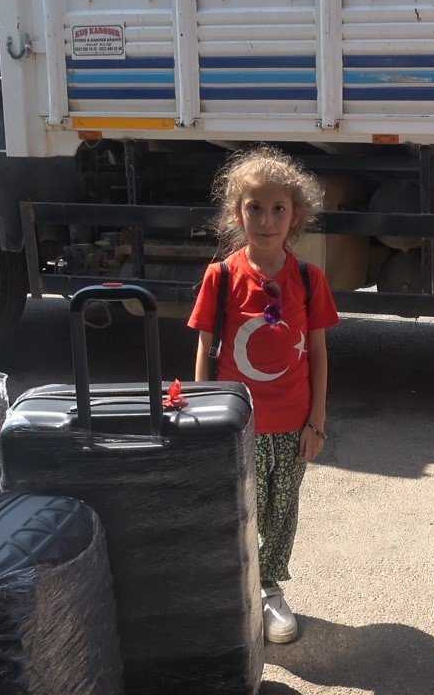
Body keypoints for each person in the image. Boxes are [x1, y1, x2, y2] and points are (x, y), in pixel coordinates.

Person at [189, 146, 341, 644]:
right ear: (237, 214)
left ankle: (270, 590)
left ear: (296, 216)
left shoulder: (307, 278)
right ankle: (234, 590)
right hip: (240, 425)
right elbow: (206, 349)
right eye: (255, 207)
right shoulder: (224, 275)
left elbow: (316, 352)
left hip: (293, 425)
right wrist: (207, 420)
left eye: (278, 208)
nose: (267, 219)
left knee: (281, 511)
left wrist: (316, 423)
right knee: (236, 509)